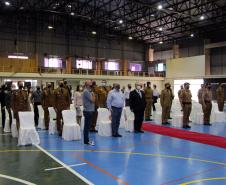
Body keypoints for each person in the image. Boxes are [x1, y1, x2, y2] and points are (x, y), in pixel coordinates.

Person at [82, 80, 95, 145]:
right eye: (90, 83)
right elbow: (93, 100)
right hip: (87, 111)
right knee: (87, 127)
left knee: (87, 126)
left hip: (90, 110)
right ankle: (86, 141)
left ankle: (86, 140)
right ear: (87, 84)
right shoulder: (86, 91)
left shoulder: (89, 91)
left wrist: (92, 94)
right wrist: (93, 95)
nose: (91, 84)